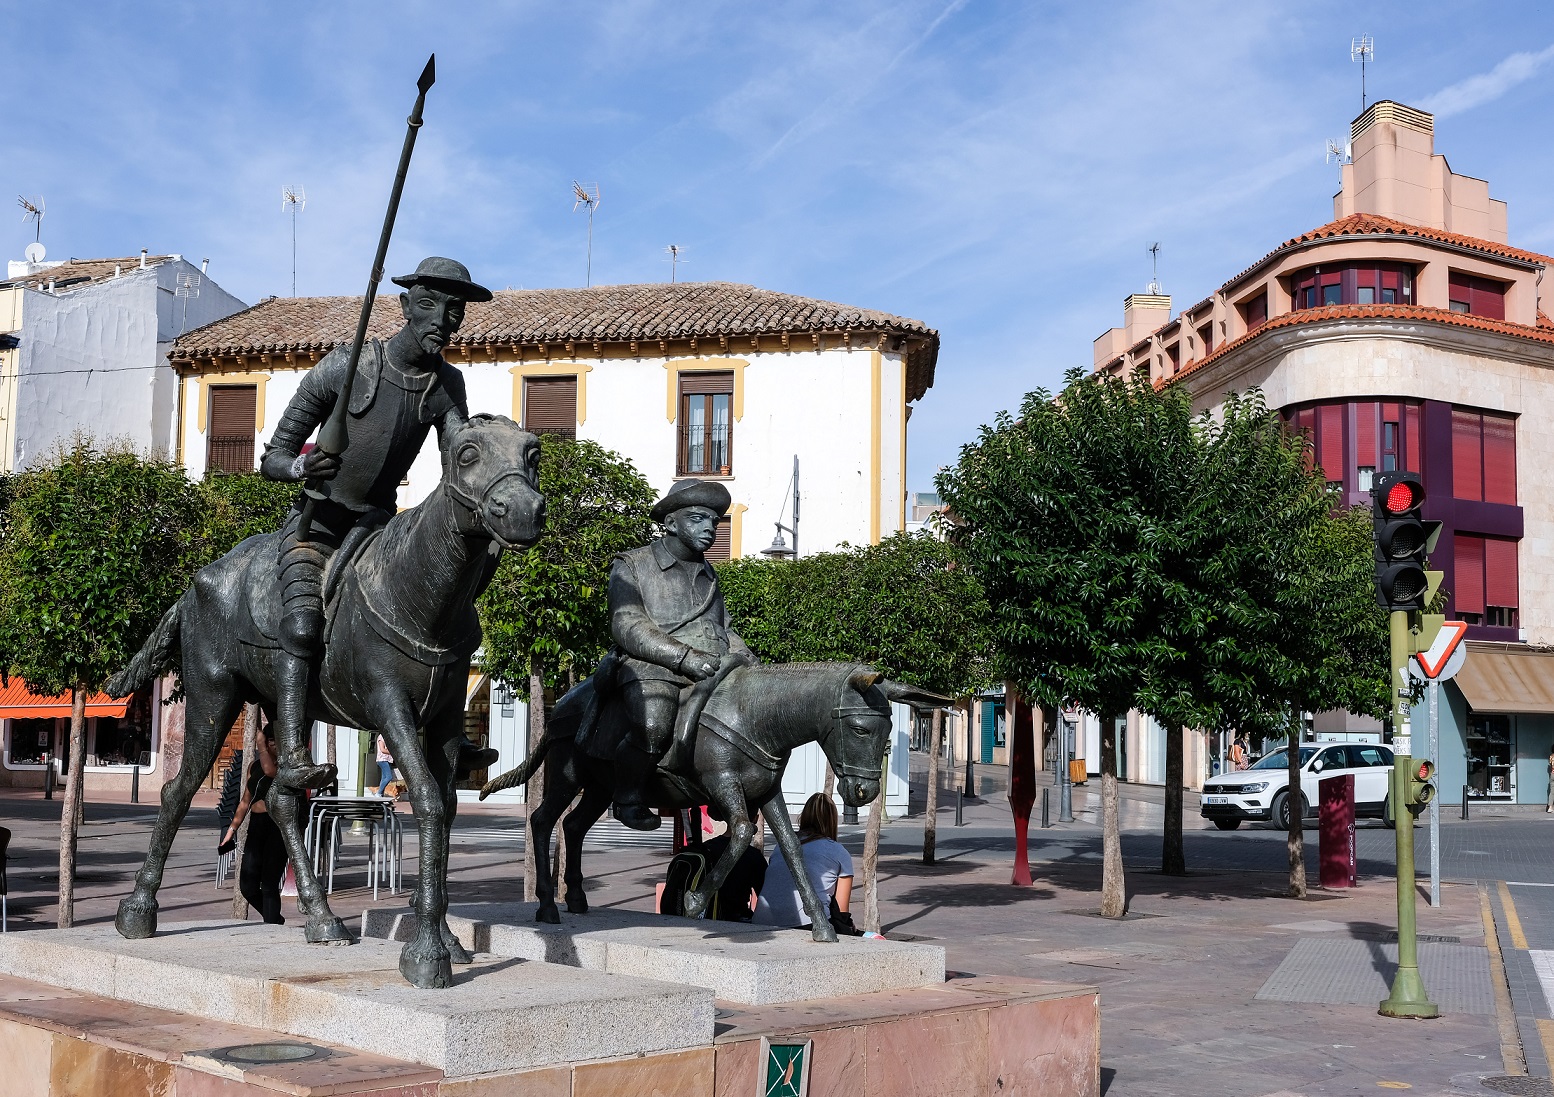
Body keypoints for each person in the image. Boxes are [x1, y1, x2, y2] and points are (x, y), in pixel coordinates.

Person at [258, 257, 498, 793]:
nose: (443, 318)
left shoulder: (446, 386)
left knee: (454, 614)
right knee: (300, 626)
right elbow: (272, 456)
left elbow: (458, 455)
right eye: (432, 304)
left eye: (454, 309)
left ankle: (450, 737)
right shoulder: (345, 368)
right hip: (317, 526)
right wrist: (302, 465)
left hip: (377, 530)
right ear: (407, 305)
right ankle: (294, 750)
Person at [606, 478, 754, 830]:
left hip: (711, 664)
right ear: (671, 523)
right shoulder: (632, 564)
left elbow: (724, 627)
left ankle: (722, 788)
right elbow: (627, 624)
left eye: (715, 522)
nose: (710, 528)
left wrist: (746, 656)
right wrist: (683, 657)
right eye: (698, 518)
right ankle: (626, 795)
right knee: (654, 723)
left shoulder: (709, 574)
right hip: (652, 664)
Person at [220, 721, 287, 925]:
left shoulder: (285, 766)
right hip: (257, 824)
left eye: (277, 742)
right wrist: (232, 830)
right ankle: (275, 920)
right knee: (247, 885)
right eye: (270, 741)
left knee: (269, 884)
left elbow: (270, 772)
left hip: (277, 826)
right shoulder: (254, 766)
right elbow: (245, 800)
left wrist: (260, 746)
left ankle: (271, 925)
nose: (273, 745)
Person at [754, 794, 854, 931]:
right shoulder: (838, 851)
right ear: (832, 820)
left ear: (804, 816)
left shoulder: (782, 845)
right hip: (807, 923)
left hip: (761, 920)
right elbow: (842, 911)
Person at [699, 831, 768, 922]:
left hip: (704, 915)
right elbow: (766, 895)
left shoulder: (706, 848)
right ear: (755, 818)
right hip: (737, 917)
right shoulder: (753, 855)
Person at [1546, 745, 1553, 812]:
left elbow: (1550, 766)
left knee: (1552, 792)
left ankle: (1550, 807)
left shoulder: (1551, 756)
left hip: (1552, 774)